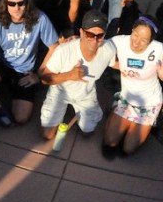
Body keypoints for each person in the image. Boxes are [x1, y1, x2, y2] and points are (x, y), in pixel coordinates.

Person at [0, 0, 58, 126]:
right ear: (5, 4)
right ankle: (1, 89)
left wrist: (38, 75)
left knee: (21, 118)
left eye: (21, 3)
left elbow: (54, 48)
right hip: (3, 64)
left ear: (27, 3)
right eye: (12, 4)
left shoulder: (40, 18)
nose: (17, 8)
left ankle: (9, 91)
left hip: (26, 70)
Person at [102, 16, 163, 156]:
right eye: (135, 34)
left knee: (128, 148)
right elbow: (101, 51)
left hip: (149, 102)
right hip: (127, 99)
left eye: (144, 40)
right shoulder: (119, 41)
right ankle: (118, 112)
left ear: (151, 41)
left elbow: (162, 76)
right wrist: (119, 66)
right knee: (110, 142)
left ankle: (142, 123)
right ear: (132, 30)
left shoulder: (157, 49)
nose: (136, 42)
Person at [39, 10, 115, 141]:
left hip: (86, 94)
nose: (95, 39)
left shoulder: (108, 49)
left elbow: (117, 64)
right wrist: (69, 75)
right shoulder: (64, 51)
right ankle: (65, 110)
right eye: (90, 34)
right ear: (81, 32)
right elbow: (45, 79)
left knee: (87, 132)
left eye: (100, 35)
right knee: (47, 135)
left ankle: (80, 111)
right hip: (60, 92)